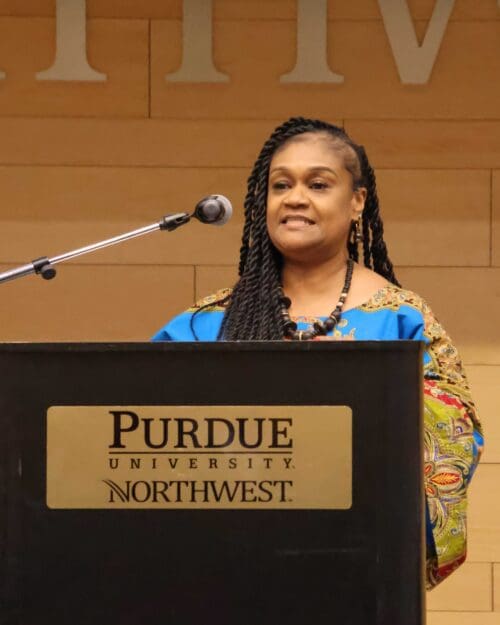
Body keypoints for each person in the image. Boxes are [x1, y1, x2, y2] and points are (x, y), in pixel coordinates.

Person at [152, 117, 484, 589]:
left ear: (356, 202)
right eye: (280, 184)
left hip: (353, 567)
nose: (294, 198)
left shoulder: (400, 321)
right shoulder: (206, 324)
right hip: (221, 569)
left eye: (318, 184)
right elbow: (142, 432)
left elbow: (454, 437)